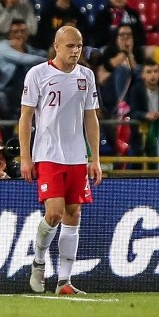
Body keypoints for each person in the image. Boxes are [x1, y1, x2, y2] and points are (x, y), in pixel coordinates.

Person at [19, 25, 102, 296]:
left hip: (77, 156)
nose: (76, 50)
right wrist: (26, 157)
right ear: (56, 46)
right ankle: (39, 262)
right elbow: (26, 118)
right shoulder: (38, 74)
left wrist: (95, 158)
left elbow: (91, 117)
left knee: (73, 214)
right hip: (48, 154)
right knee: (53, 214)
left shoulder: (86, 76)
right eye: (70, 46)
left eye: (79, 46)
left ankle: (64, 281)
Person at [127, 59, 159, 157]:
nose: (153, 75)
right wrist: (146, 115)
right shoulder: (136, 89)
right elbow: (133, 112)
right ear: (143, 75)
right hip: (141, 134)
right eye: (149, 72)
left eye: (156, 71)